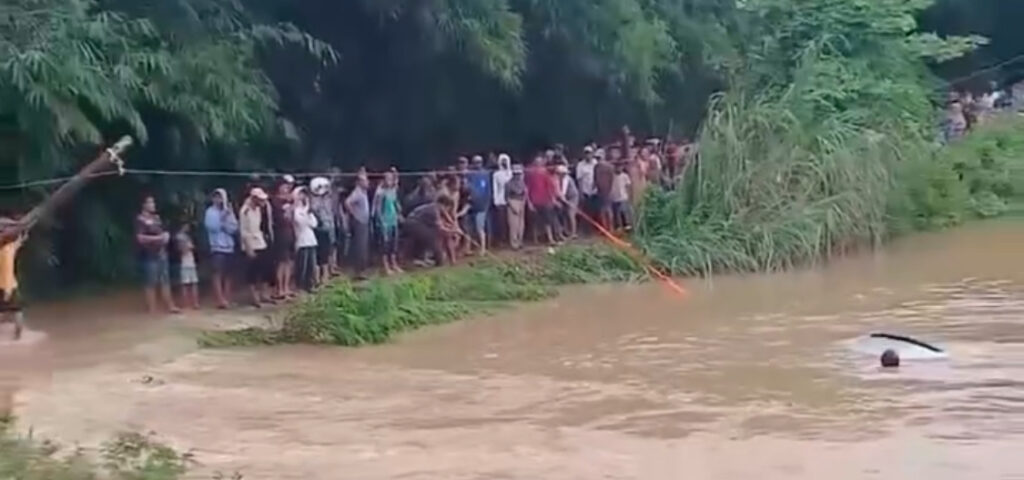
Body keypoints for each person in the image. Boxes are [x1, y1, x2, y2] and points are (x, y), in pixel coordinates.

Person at [135, 195, 179, 314]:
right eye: (150, 203)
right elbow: (140, 238)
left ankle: (170, 305)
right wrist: (158, 238)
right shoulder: (140, 220)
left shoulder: (157, 218)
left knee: (165, 280)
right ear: (143, 205)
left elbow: (163, 231)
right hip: (149, 254)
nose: (153, 205)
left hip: (161, 252)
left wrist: (166, 236)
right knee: (151, 282)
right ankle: (152, 308)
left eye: (153, 202)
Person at [203, 188, 237, 309]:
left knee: (228, 274)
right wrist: (222, 219)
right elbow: (212, 227)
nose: (219, 200)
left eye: (221, 197)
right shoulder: (210, 212)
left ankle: (227, 297)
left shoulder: (229, 211)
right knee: (217, 273)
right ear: (213, 199)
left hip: (229, 246)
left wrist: (226, 220)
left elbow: (233, 227)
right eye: (216, 197)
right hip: (217, 246)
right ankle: (219, 299)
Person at [404, 196, 459, 267]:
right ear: (443, 205)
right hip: (413, 223)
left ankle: (449, 260)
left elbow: (446, 219)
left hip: (420, 223)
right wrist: (453, 231)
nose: (447, 210)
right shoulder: (434, 210)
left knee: (443, 234)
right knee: (434, 236)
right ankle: (432, 257)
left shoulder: (435, 207)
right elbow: (441, 228)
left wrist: (453, 226)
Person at [239, 187, 272, 307]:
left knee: (263, 270)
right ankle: (254, 298)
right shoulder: (245, 211)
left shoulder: (257, 210)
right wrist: (248, 248)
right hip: (250, 244)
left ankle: (264, 294)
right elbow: (244, 232)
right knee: (252, 273)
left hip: (260, 242)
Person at [0, 214, 26, 340]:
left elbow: (18, 243)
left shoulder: (9, 248)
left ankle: (16, 335)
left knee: (10, 311)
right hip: (8, 285)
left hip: (7, 285)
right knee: (17, 311)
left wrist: (22, 236)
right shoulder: (9, 250)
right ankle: (17, 336)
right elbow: (6, 273)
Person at [373, 169, 403, 275]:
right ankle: (386, 267)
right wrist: (381, 223)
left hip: (393, 220)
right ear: (384, 180)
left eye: (391, 179)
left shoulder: (393, 190)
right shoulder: (380, 193)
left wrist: (395, 172)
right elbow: (377, 210)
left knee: (393, 245)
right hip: (385, 222)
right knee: (385, 245)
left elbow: (395, 202)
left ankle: (394, 264)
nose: (390, 181)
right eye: (388, 179)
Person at [525, 155, 559, 245]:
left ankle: (544, 239)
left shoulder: (537, 174)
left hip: (542, 200)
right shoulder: (535, 174)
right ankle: (546, 239)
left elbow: (549, 188)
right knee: (543, 221)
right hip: (539, 200)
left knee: (542, 221)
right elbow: (527, 189)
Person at [270, 180, 295, 299]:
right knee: (281, 262)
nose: (286, 189)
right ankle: (280, 288)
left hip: (290, 232)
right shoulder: (275, 201)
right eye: (284, 187)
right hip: (280, 233)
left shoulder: (290, 200)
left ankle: (287, 287)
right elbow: (280, 217)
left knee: (289, 262)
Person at [309, 177, 336, 285]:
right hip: (319, 230)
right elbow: (315, 210)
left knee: (327, 252)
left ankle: (326, 276)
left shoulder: (327, 199)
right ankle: (317, 278)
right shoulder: (313, 201)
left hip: (328, 228)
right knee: (319, 254)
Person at [292, 186, 319, 292]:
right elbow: (301, 222)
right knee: (302, 266)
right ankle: (300, 285)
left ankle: (310, 285)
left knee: (311, 265)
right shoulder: (296, 211)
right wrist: (306, 212)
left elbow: (314, 224)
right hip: (302, 241)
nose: (303, 197)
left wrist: (308, 213)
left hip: (311, 240)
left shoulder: (307, 211)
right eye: (300, 195)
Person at [346, 174, 371, 279]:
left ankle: (362, 270)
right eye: (365, 181)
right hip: (359, 222)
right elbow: (347, 202)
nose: (368, 182)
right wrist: (354, 215)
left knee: (364, 246)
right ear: (359, 182)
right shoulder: (357, 192)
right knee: (360, 246)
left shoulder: (363, 192)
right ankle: (359, 271)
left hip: (364, 221)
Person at [466, 155, 492, 255]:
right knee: (469, 228)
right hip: (470, 205)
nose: (477, 164)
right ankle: (469, 248)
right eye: (475, 162)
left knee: (479, 228)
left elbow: (488, 191)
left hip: (481, 205)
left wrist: (487, 203)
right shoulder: (470, 174)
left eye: (479, 162)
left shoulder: (485, 174)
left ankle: (483, 249)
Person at [175, 222, 200, 309]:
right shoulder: (179, 237)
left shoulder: (188, 236)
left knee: (193, 283)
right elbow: (182, 250)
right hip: (185, 262)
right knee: (186, 284)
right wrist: (188, 246)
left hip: (191, 261)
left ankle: (195, 303)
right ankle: (186, 303)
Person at [492, 153, 512, 246]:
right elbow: (495, 188)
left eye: (505, 161)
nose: (504, 163)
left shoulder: (511, 173)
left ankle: (511, 239)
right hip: (501, 200)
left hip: (512, 199)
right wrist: (496, 201)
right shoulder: (496, 174)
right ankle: (502, 240)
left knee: (511, 221)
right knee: (501, 221)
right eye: (502, 161)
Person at [505, 164, 528, 250]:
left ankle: (520, 241)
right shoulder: (508, 184)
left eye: (519, 174)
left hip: (521, 202)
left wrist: (523, 203)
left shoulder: (522, 183)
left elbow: (525, 193)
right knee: (513, 225)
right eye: (516, 174)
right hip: (512, 202)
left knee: (521, 225)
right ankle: (514, 243)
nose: (518, 176)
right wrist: (512, 206)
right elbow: (506, 197)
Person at [593, 148, 615, 230]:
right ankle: (605, 228)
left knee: (608, 209)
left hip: (608, 190)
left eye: (599, 158)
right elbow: (595, 178)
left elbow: (612, 179)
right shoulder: (596, 167)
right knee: (602, 210)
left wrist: (610, 190)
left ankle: (611, 227)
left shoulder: (609, 167)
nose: (598, 160)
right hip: (600, 191)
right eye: (597, 158)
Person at [556, 165, 579, 239]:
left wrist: (565, 201)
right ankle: (566, 231)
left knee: (570, 214)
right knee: (564, 214)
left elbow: (563, 191)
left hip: (572, 197)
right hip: (565, 198)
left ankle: (573, 233)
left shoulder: (567, 179)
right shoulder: (558, 179)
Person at [575, 146, 598, 222]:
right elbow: (579, 179)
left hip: (595, 190)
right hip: (585, 191)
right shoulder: (580, 165)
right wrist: (580, 192)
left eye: (589, 153)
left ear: (592, 154)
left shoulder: (596, 163)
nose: (588, 155)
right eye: (586, 153)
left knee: (596, 210)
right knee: (587, 211)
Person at [610, 164, 633, 231]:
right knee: (616, 212)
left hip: (623, 196)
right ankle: (618, 226)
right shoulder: (612, 176)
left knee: (624, 211)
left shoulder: (624, 176)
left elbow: (628, 186)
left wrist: (629, 195)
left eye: (620, 167)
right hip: (615, 197)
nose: (618, 169)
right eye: (617, 167)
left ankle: (626, 225)